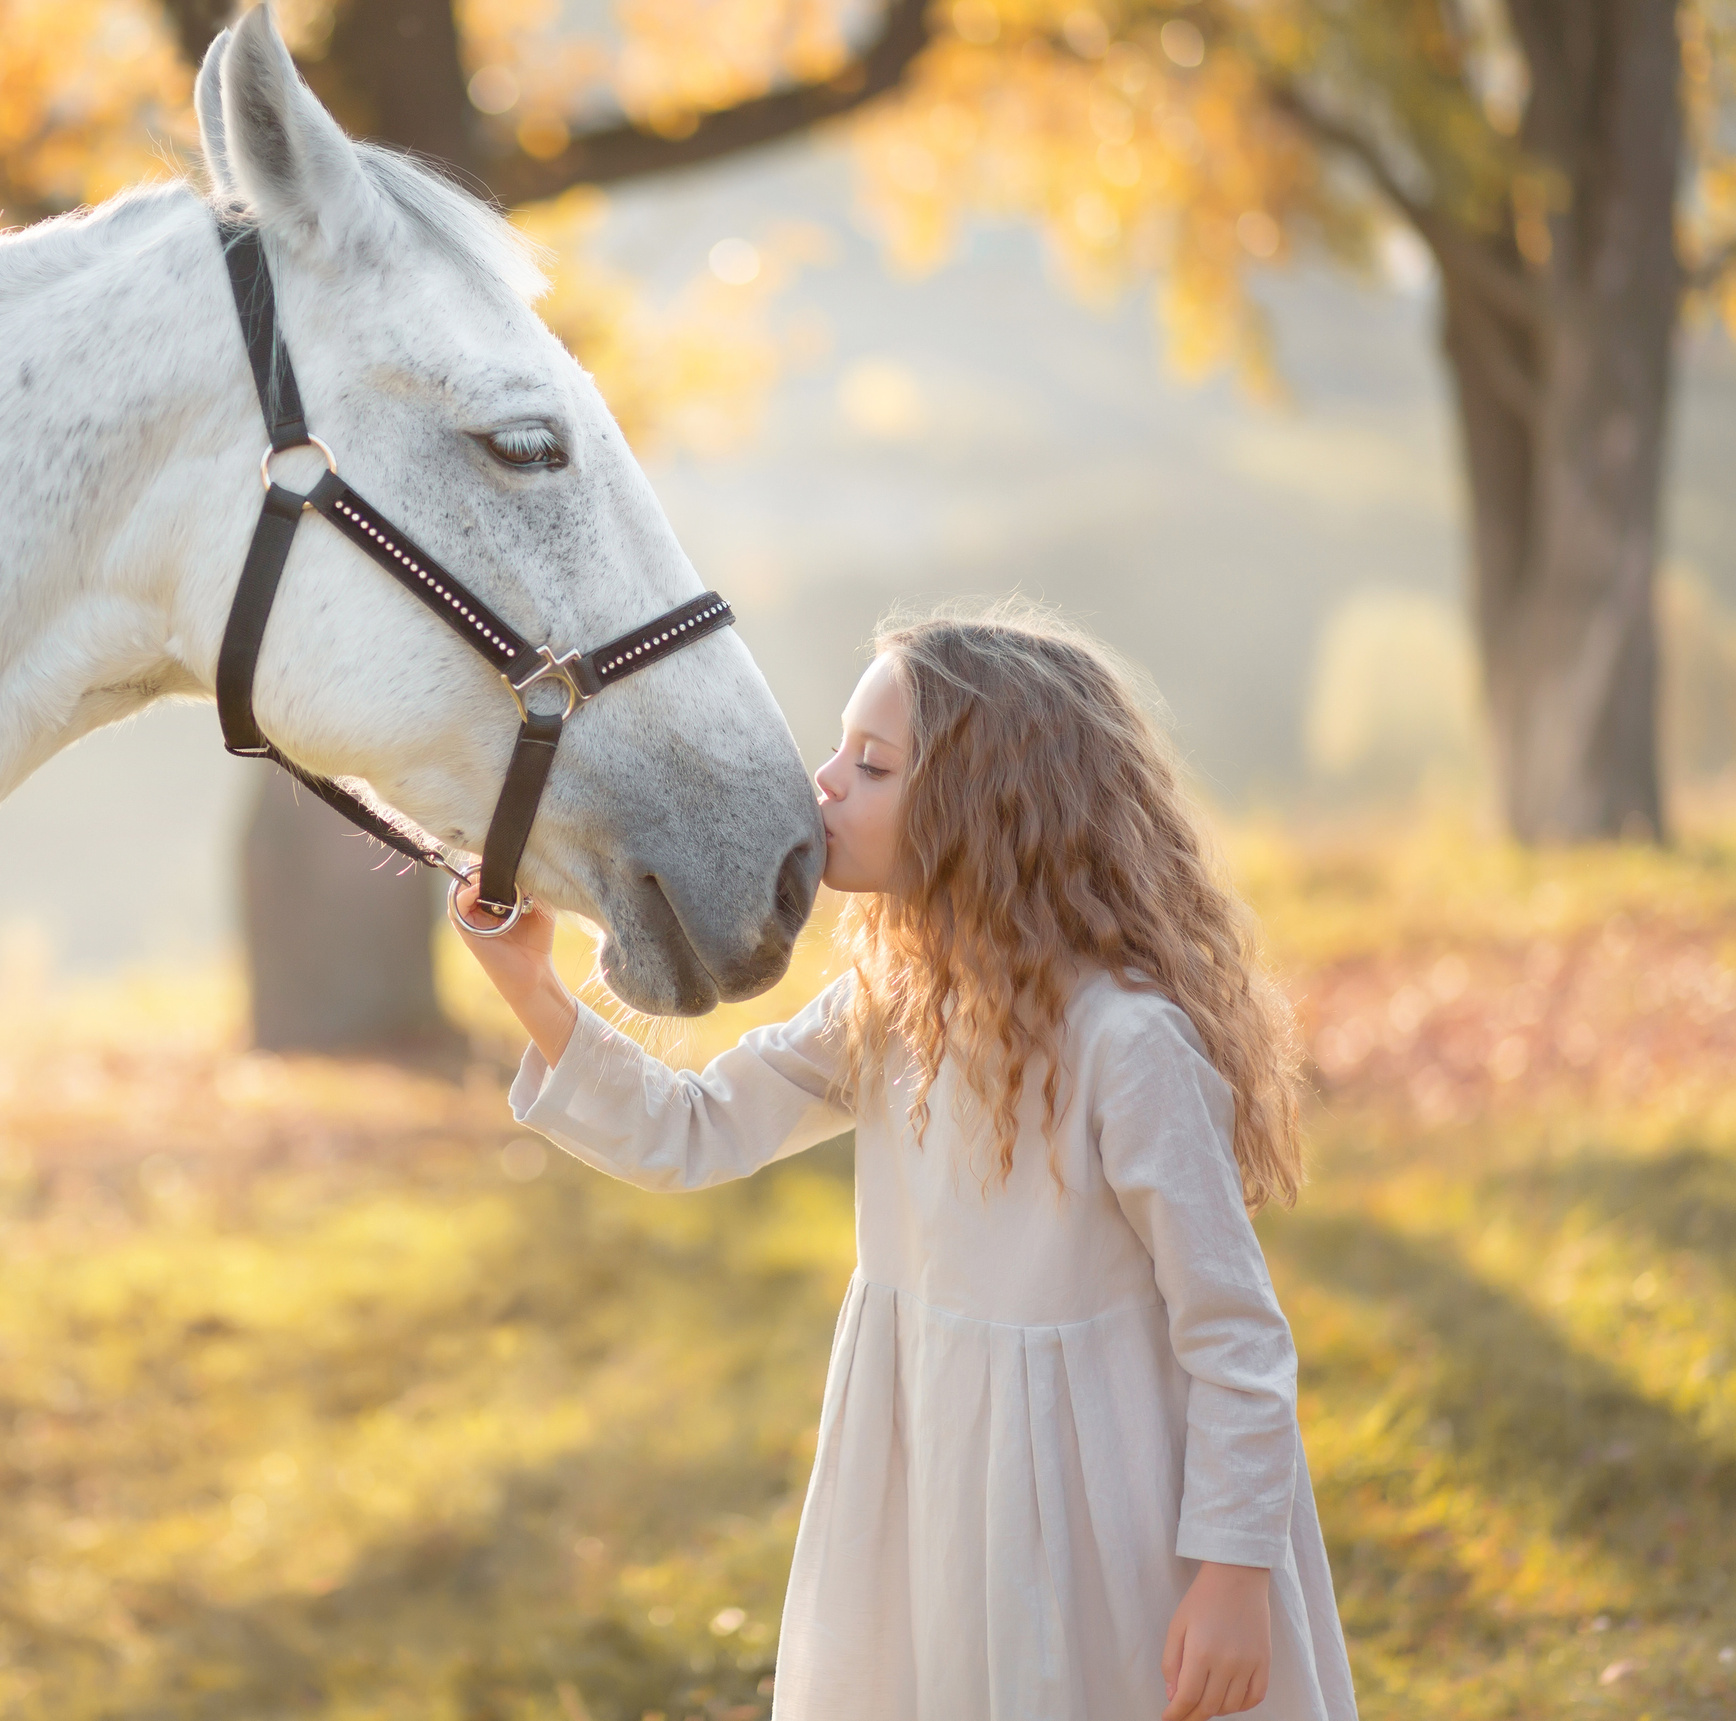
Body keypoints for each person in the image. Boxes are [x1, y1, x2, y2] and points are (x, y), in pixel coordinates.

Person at [455, 611, 1355, 1721]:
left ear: (987, 805)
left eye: (872, 765)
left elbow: (1235, 1332)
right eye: (840, 749)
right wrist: (529, 984)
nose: (824, 781)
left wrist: (1231, 1577)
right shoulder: (889, 1006)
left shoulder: (1127, 1043)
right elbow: (691, 1130)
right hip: (932, 1492)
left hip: (1111, 1525)